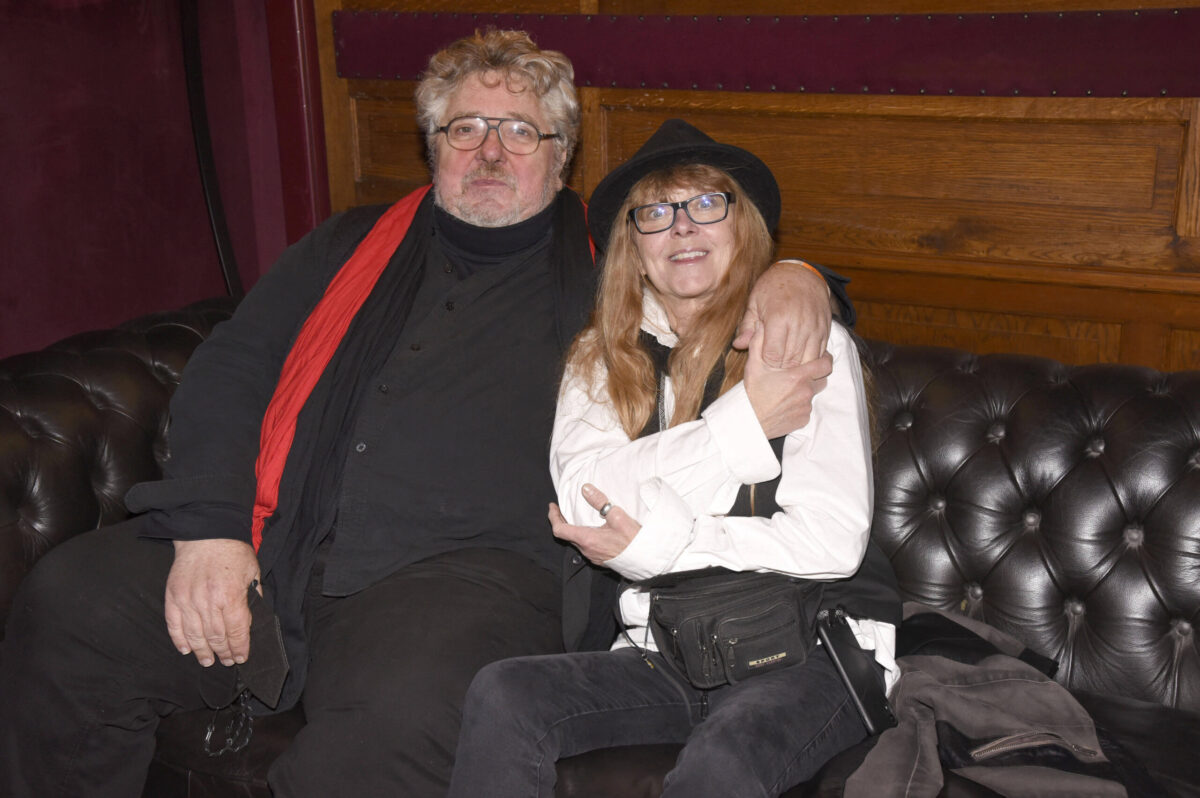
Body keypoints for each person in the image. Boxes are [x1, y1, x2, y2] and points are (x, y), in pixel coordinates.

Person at [0, 33, 847, 798]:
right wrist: (211, 530)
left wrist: (797, 275)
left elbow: (711, 272)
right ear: (432, 147)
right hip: (281, 539)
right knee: (72, 607)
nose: (489, 150)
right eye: (464, 129)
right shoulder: (347, 245)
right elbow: (231, 370)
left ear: (561, 159)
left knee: (390, 730)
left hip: (471, 577)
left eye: (520, 132)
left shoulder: (610, 270)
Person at [447, 119, 901, 798]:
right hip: (669, 647)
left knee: (727, 758)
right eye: (655, 214)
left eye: (706, 203)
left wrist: (660, 542)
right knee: (505, 693)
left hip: (814, 647)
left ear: (740, 225)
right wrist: (744, 423)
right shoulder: (599, 359)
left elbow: (831, 541)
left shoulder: (804, 337)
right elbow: (585, 498)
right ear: (634, 245)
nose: (682, 227)